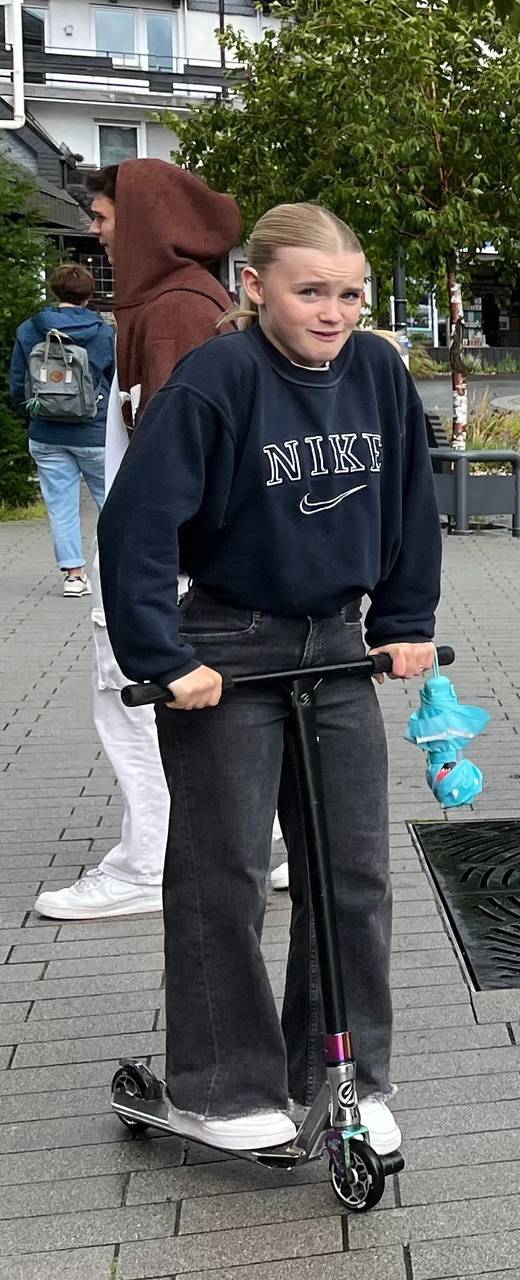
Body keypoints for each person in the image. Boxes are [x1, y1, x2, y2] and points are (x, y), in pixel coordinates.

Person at [98, 202, 441, 1152]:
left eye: (350, 293)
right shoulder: (218, 379)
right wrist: (165, 660)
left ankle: (345, 1079)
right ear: (255, 288)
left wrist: (405, 621)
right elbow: (136, 525)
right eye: (312, 291)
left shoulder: (376, 371)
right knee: (226, 871)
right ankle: (221, 1087)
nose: (334, 311)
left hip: (337, 643)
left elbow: (412, 494)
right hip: (231, 646)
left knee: (353, 871)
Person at [34, 160, 261, 922]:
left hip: (158, 559)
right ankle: (242, 845)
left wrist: (153, 580)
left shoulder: (169, 314)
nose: (95, 235)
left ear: (144, 223)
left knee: (131, 703)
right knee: (199, 709)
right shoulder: (188, 301)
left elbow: (177, 461)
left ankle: (149, 863)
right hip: (174, 557)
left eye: (103, 219)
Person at [14, 263, 116, 597]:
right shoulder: (104, 332)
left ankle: (74, 575)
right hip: (95, 433)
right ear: (89, 295)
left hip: (46, 433)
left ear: (54, 291)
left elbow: (18, 384)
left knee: (60, 505)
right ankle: (114, 569)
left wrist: (34, 414)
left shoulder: (30, 329)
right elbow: (116, 381)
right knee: (111, 502)